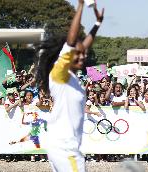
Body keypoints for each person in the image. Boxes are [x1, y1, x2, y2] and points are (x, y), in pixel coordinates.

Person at [35, 0, 104, 171]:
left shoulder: (71, 77)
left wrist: (97, 24)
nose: (82, 56)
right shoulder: (59, 74)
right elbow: (72, 42)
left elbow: (81, 46)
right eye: (77, 54)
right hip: (66, 149)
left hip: (62, 147)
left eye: (83, 54)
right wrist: (80, 5)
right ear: (66, 55)